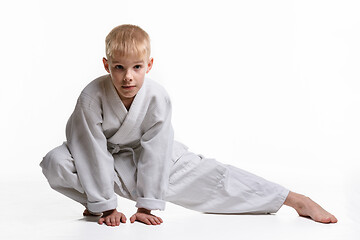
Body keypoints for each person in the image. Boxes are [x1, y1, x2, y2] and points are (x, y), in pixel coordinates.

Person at [40, 24, 337, 226]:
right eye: (119, 67)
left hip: (150, 158)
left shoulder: (157, 96)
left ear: (149, 65)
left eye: (136, 67)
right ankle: (96, 206)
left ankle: (293, 199)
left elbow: (156, 149)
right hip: (104, 158)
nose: (127, 76)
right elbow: (89, 149)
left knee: (213, 179)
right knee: (56, 163)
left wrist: (146, 205)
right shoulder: (91, 96)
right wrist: (105, 204)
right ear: (106, 65)